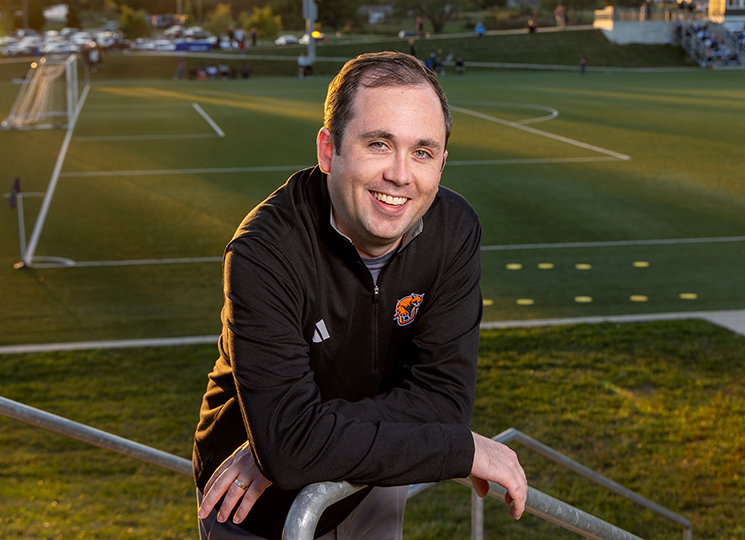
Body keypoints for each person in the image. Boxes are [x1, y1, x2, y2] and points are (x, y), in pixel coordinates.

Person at [193, 51, 528, 540]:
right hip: (250, 507)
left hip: (371, 484)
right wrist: (459, 450)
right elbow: (288, 448)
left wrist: (306, 435)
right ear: (329, 151)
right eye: (378, 144)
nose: (400, 174)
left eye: (422, 152)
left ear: (441, 162)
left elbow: (444, 404)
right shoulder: (264, 252)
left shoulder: (454, 231)